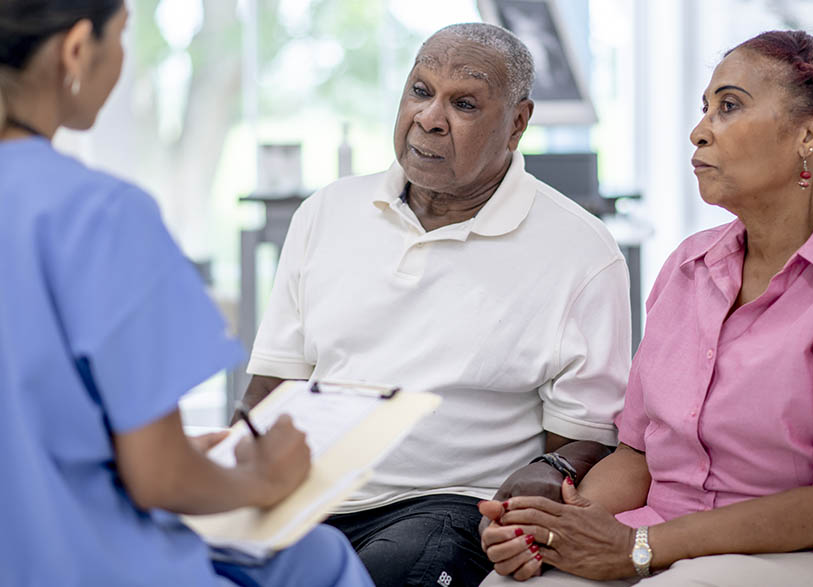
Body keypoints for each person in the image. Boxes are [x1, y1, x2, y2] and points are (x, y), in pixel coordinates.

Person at [479, 30, 813, 587]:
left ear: (811, 133)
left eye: (729, 106)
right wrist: (564, 527)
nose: (698, 131)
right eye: (705, 108)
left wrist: (639, 547)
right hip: (679, 540)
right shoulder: (689, 267)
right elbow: (639, 455)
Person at [239, 22, 630, 587]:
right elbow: (270, 387)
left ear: (518, 123)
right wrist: (225, 486)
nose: (429, 118)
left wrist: (553, 469)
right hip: (303, 496)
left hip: (443, 507)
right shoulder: (326, 212)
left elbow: (584, 434)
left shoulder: (582, 251)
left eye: (463, 104)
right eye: (420, 92)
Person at [0, 2, 372, 585]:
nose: (123, 58)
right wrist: (265, 477)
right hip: (86, 565)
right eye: (122, 36)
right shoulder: (100, 214)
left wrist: (138, 451)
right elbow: (160, 479)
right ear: (76, 49)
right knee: (320, 559)